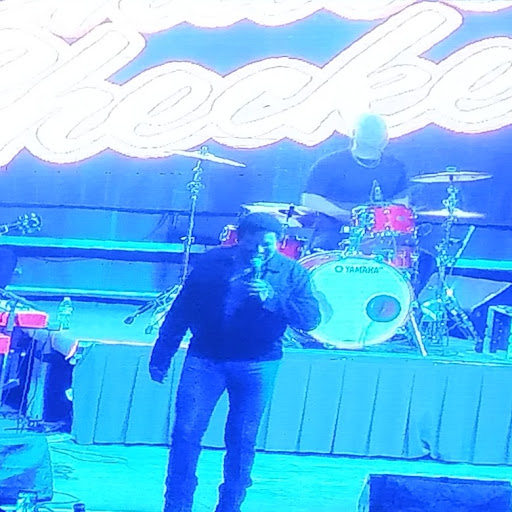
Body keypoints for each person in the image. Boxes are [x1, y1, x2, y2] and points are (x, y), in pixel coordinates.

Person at [149, 212, 321, 512]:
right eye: (252, 244)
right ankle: (176, 505)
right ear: (239, 240)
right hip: (205, 358)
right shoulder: (212, 262)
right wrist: (162, 353)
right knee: (186, 433)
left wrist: (273, 299)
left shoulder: (292, 273)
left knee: (242, 439)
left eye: (266, 245)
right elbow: (182, 308)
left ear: (279, 243)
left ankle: (229, 506)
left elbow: (311, 319)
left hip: (257, 363)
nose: (259, 251)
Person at [302, 112, 435, 294]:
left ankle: (404, 305)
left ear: (386, 137)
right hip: (336, 233)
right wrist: (346, 216)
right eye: (369, 131)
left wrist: (391, 214)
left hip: (381, 238)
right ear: (354, 133)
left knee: (425, 261)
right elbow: (309, 199)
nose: (374, 137)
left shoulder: (395, 166)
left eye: (378, 132)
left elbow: (401, 201)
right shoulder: (329, 163)